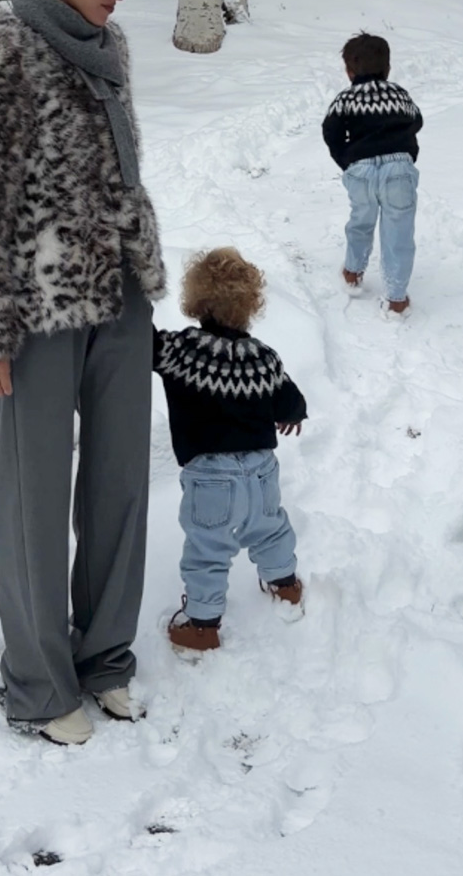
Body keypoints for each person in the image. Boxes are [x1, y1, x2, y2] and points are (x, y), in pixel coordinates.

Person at [0, 0, 166, 745]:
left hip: (120, 296)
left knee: (120, 481)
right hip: (29, 313)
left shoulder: (109, 49)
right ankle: (38, 682)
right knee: (33, 495)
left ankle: (105, 657)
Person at [152, 248, 307, 652]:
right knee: (270, 526)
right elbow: (290, 402)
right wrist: (292, 416)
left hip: (210, 477)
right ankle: (285, 583)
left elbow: (144, 344)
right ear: (250, 306)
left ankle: (202, 625)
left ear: (196, 301)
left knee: (208, 549)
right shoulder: (263, 358)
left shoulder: (180, 350)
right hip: (261, 469)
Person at [322, 33, 423, 315]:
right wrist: (404, 150)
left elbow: (330, 131)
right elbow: (416, 121)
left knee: (361, 221)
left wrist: (347, 160)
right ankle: (397, 298)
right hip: (399, 170)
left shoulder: (345, 99)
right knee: (399, 232)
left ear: (349, 71)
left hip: (361, 171)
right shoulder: (399, 94)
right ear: (387, 68)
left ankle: (353, 272)